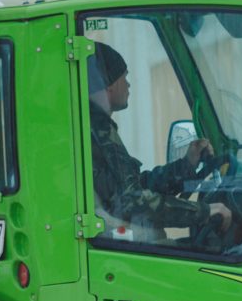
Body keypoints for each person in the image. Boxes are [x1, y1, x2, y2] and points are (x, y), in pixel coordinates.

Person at [86, 42, 231, 241]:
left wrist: (186, 166)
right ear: (109, 83)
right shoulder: (98, 132)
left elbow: (132, 188)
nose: (128, 84)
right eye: (124, 77)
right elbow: (132, 202)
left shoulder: (94, 127)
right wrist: (204, 211)